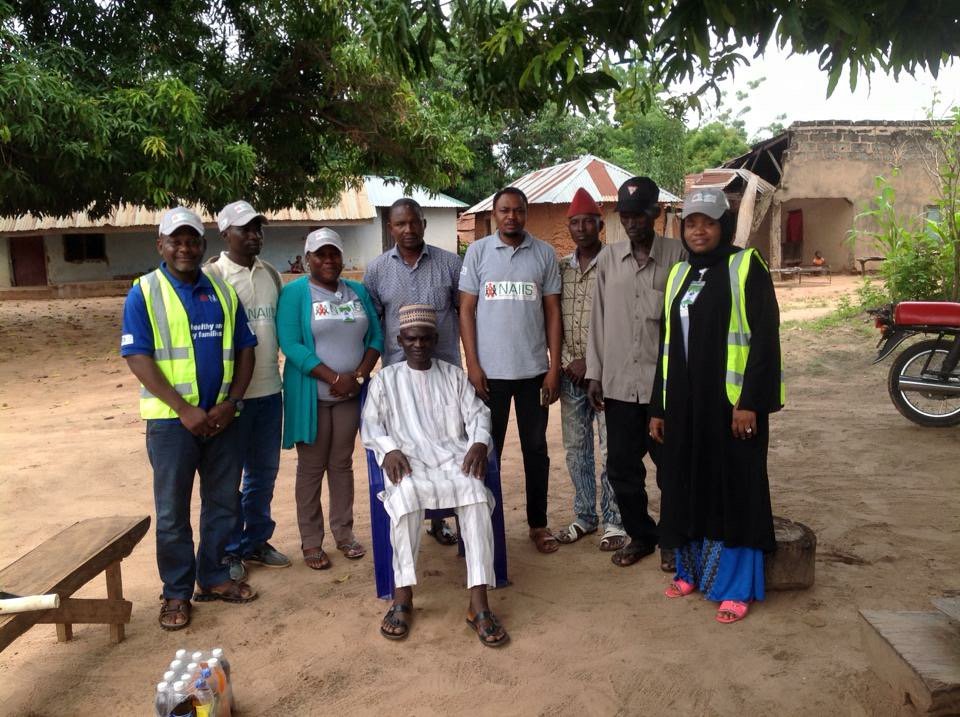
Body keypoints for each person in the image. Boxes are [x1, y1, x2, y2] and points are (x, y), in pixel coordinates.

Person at [649, 187, 784, 624]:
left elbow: (764, 339)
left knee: (735, 489)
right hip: (686, 407)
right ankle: (692, 571)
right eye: (691, 222)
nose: (699, 230)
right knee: (688, 483)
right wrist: (658, 407)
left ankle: (735, 586)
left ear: (723, 225)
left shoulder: (745, 266)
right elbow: (666, 346)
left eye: (708, 222)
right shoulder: (679, 275)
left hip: (731, 408)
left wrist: (749, 402)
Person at [120, 207, 259, 631]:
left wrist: (231, 403)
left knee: (222, 503)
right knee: (172, 512)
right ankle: (176, 592)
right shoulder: (144, 292)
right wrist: (184, 410)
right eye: (175, 240)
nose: (185, 248)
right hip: (171, 425)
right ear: (160, 245)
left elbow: (245, 349)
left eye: (192, 240)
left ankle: (213, 576)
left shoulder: (220, 291)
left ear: (203, 244)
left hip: (221, 420)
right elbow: (137, 356)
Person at [361, 305, 508, 647]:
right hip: (408, 461)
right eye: (411, 338)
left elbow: (478, 415)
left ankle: (479, 603)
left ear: (435, 339)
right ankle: (403, 597)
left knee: (473, 490)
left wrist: (478, 444)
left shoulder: (454, 375)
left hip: (452, 458)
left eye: (425, 338)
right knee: (407, 495)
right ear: (400, 340)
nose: (418, 345)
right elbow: (371, 424)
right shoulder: (385, 379)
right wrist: (389, 449)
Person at [585, 177, 686, 570]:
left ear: (655, 214)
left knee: (672, 467)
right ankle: (642, 535)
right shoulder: (609, 260)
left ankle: (674, 539)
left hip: (665, 389)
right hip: (619, 387)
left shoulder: (679, 256)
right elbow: (598, 320)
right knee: (622, 469)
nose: (631, 223)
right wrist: (595, 373)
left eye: (639, 215)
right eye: (625, 216)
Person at [459, 187, 563, 554]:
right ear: (494, 212)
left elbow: (552, 312)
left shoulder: (545, 254)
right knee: (488, 450)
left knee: (536, 449)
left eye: (518, 211)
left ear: (527, 213)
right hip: (490, 375)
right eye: (505, 211)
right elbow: (466, 311)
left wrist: (553, 367)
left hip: (534, 372)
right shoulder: (478, 252)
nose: (511, 217)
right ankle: (484, 523)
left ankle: (538, 525)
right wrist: (473, 364)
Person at [276, 227, 383, 570]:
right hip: (313, 396)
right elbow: (291, 344)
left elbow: (376, 336)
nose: (328, 260)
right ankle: (311, 542)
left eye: (333, 253)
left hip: (350, 396)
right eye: (320, 254)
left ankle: (344, 533)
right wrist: (333, 377)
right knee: (311, 468)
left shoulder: (357, 291)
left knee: (341, 464)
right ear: (307, 259)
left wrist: (359, 375)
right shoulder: (295, 293)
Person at [363, 197, 462, 547]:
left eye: (413, 223)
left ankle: (453, 521)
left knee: (449, 446)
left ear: (423, 223)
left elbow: (464, 316)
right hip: (399, 379)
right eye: (399, 224)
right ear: (390, 228)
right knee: (410, 448)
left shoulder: (451, 264)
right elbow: (374, 322)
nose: (408, 230)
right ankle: (410, 519)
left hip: (446, 377)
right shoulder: (376, 271)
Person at [204, 200, 290, 581]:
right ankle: (229, 549)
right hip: (231, 398)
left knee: (263, 474)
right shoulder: (212, 277)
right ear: (225, 233)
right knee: (227, 479)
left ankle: (256, 539)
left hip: (270, 391)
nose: (254, 235)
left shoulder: (271, 274)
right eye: (245, 229)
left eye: (258, 228)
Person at [554, 188, 626, 551]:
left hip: (606, 374)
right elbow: (551, 318)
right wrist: (568, 360)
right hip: (570, 376)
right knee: (576, 447)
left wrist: (592, 363)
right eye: (575, 222)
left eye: (588, 221)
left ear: (601, 224)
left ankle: (615, 520)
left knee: (611, 448)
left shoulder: (615, 263)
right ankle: (584, 515)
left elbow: (619, 320)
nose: (581, 228)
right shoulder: (561, 269)